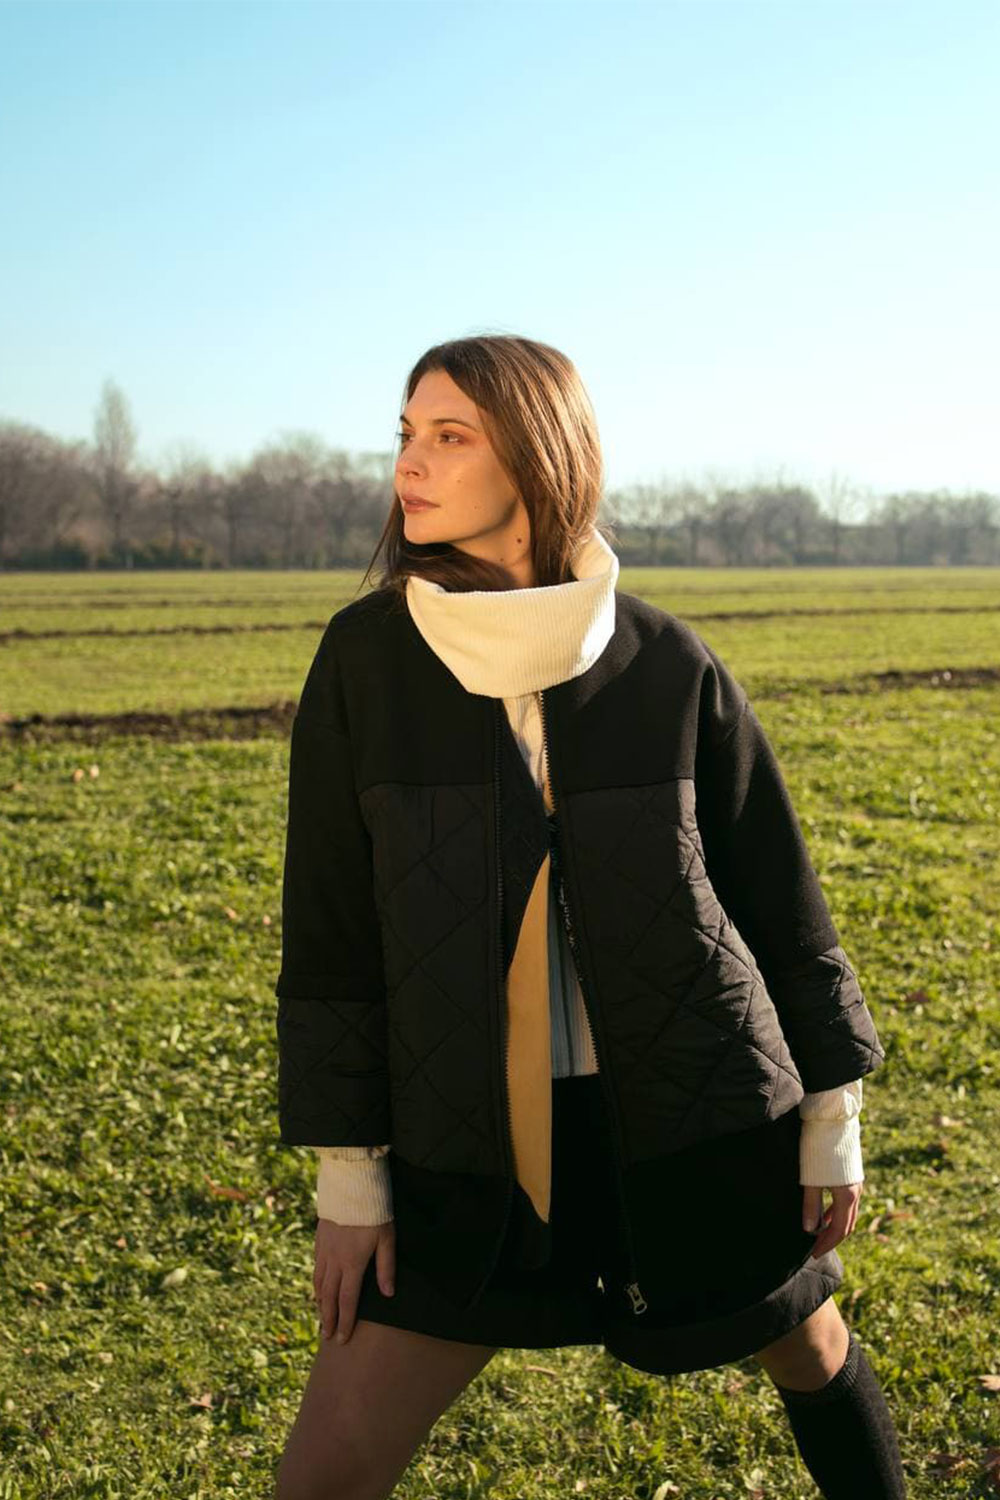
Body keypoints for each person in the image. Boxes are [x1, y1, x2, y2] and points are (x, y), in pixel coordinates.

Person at [273, 335, 907, 1500]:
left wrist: (830, 1119)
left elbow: (778, 902)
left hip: (698, 1115)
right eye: (406, 434)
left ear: (538, 453)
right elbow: (330, 940)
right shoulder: (366, 663)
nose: (410, 463)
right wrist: (350, 1183)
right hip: (464, 1141)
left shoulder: (664, 662)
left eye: (449, 436)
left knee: (810, 1347)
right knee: (326, 1471)